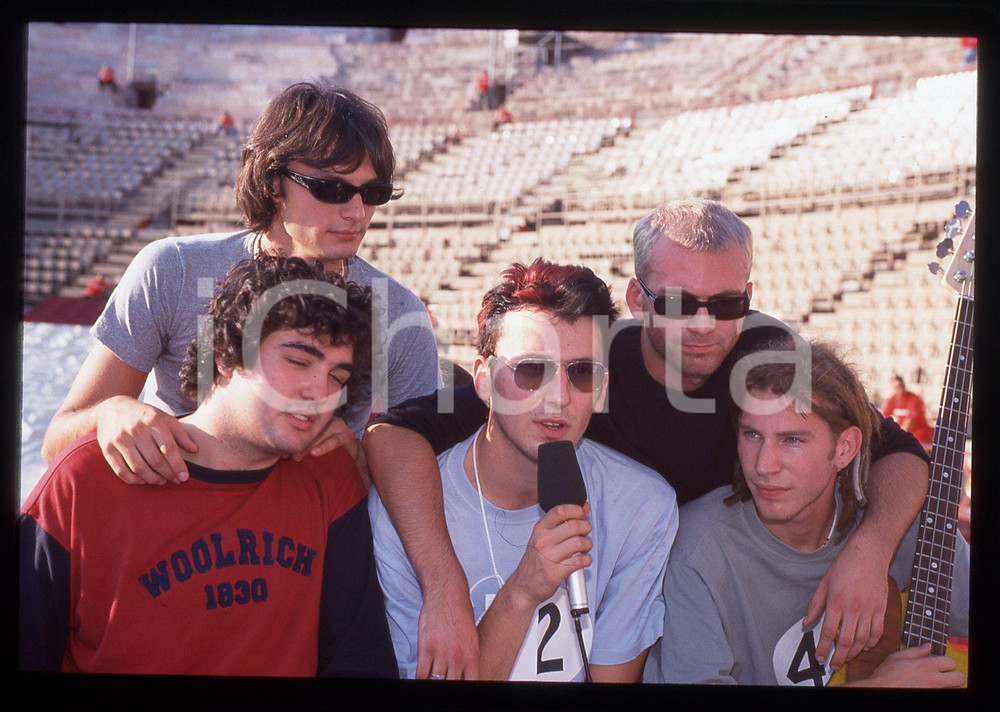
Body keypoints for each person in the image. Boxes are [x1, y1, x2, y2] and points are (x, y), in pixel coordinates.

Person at [364, 198, 931, 676]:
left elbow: (896, 452)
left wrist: (869, 549)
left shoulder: (767, 357)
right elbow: (396, 433)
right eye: (680, 303)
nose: (705, 325)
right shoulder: (578, 362)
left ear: (749, 298)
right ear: (638, 302)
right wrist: (443, 584)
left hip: (692, 599)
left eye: (727, 303)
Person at [39, 82, 474, 675]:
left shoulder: (398, 316)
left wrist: (442, 587)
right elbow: (61, 440)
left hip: (303, 575)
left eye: (372, 192)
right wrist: (110, 414)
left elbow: (427, 473)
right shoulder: (172, 269)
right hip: (160, 555)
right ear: (273, 181)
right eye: (331, 188)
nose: (357, 212)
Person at [20, 254, 398, 677]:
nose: (320, 391)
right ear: (224, 355)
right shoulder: (86, 478)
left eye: (337, 378)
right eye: (298, 361)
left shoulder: (329, 477)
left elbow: (358, 660)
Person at [369, 259, 678, 681]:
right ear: (483, 379)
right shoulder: (406, 506)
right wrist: (521, 593)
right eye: (532, 370)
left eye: (582, 372)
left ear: (602, 388)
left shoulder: (643, 506)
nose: (559, 397)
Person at [644, 337, 968, 687]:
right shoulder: (700, 549)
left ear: (845, 448)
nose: (764, 465)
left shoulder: (902, 526)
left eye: (792, 440)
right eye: (752, 434)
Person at [881, 375, 934, 451]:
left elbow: (910, 421)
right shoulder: (892, 399)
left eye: (901, 385)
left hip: (920, 439)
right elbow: (883, 417)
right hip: (906, 439)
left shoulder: (914, 399)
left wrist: (898, 438)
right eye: (896, 387)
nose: (900, 388)